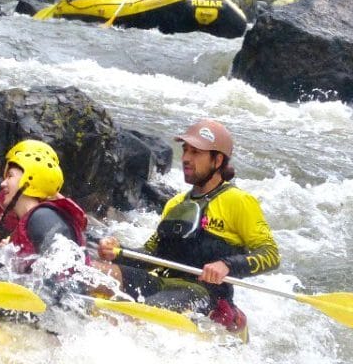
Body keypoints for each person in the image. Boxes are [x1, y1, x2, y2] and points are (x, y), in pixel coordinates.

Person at [95, 119, 280, 335]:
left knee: (142, 311)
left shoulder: (239, 201)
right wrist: (118, 252)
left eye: (195, 153)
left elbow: (271, 255)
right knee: (93, 273)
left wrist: (227, 265)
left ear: (217, 160)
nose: (186, 159)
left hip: (203, 294)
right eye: (185, 151)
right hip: (160, 281)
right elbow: (150, 254)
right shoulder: (176, 204)